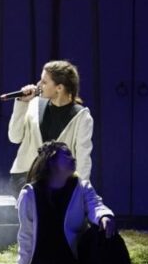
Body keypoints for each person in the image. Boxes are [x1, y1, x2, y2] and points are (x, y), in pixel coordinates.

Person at [0, 141, 135, 264]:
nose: (73, 158)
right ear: (51, 160)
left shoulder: (82, 187)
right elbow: (26, 235)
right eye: (67, 155)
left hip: (77, 256)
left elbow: (95, 205)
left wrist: (104, 216)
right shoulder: (30, 194)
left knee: (106, 233)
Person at [7, 60, 93, 196]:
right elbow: (14, 137)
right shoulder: (33, 104)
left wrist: (81, 192)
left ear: (59, 88)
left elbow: (83, 159)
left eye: (44, 82)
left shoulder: (81, 116)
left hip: (58, 182)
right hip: (25, 177)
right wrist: (22, 103)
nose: (38, 85)